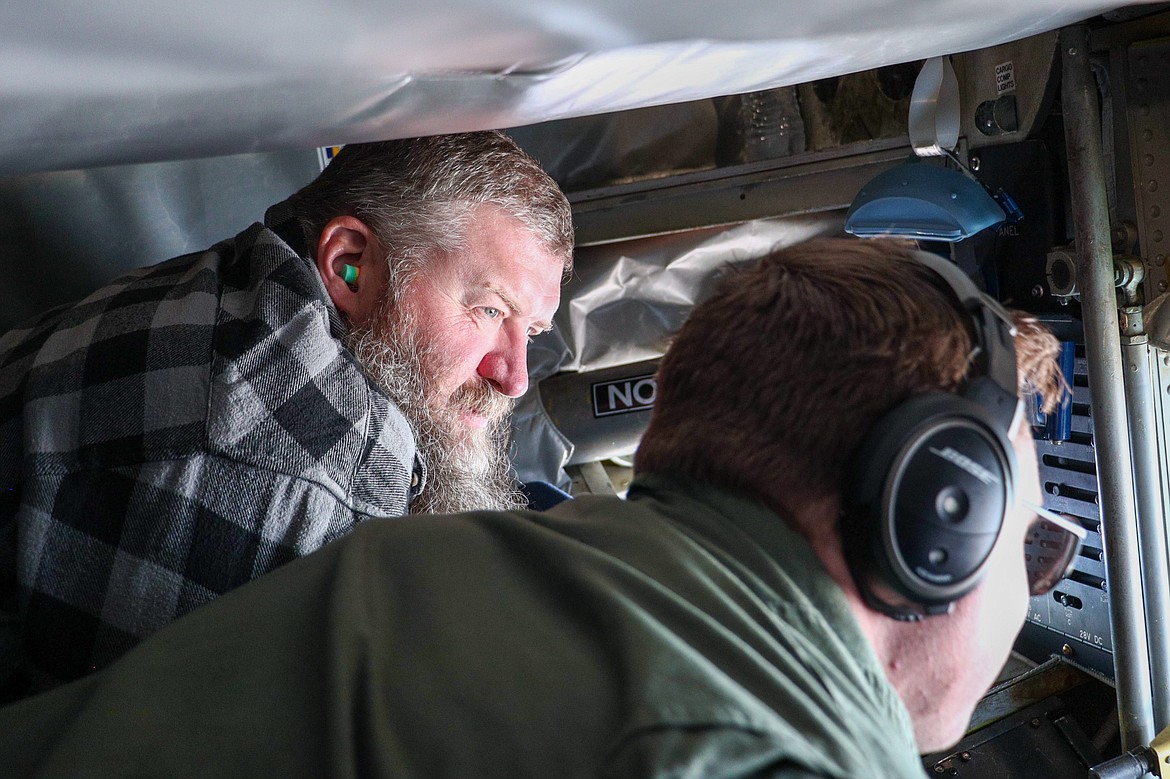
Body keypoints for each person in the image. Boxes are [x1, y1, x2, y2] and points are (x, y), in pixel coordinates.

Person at [0, 238, 1073, 778]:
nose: (1027, 589)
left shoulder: (465, 563)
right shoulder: (735, 749)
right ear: (939, 519)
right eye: (1020, 537)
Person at [0, 130, 574, 699]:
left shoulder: (261, 275)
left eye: (534, 331)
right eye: (490, 309)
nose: (514, 376)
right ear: (349, 262)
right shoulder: (303, 488)